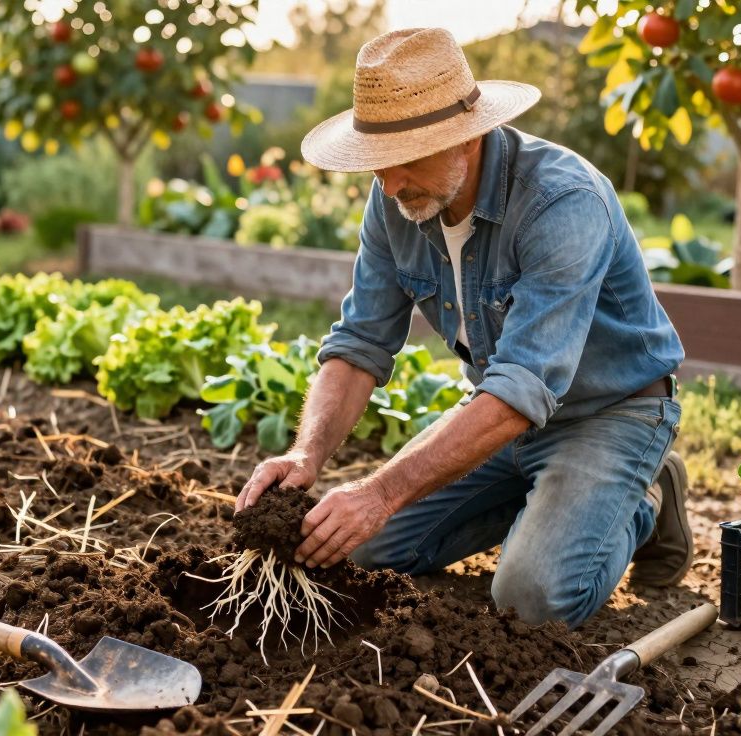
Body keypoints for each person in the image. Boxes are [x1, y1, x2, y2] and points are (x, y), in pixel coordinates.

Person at [235, 27, 692, 627]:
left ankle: (644, 496)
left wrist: (379, 493)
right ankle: (547, 504)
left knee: (531, 599)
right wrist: (306, 453)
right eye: (377, 164)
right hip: (501, 418)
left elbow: (522, 386)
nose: (389, 183)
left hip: (608, 414)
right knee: (364, 551)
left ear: (467, 137)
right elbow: (360, 343)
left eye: (406, 159)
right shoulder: (400, 197)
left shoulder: (562, 201)